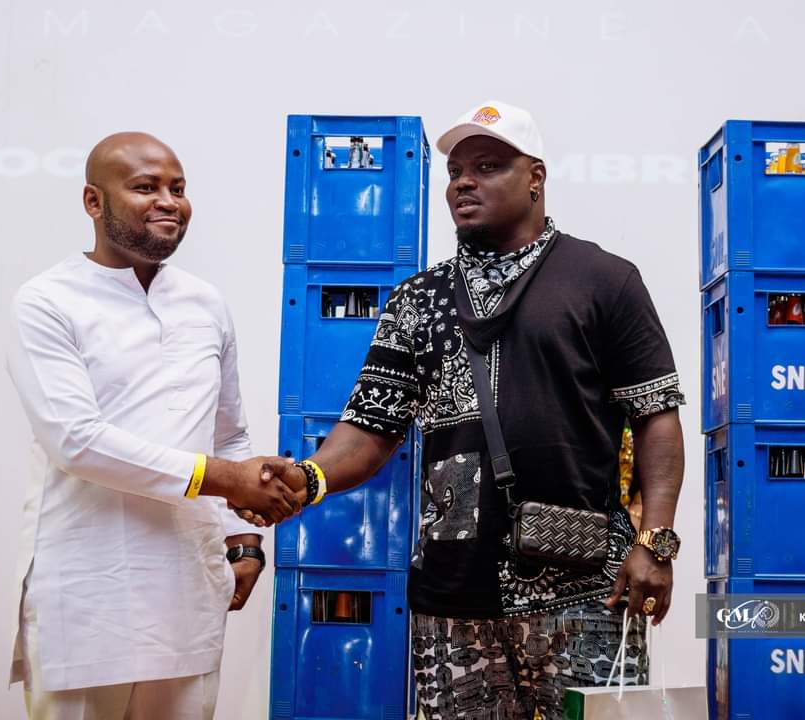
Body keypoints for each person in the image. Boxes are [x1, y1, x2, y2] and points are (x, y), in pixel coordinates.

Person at [256, 102, 685, 719]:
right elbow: (371, 426)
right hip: (451, 599)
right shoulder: (416, 300)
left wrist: (656, 544)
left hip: (586, 591)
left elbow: (656, 416)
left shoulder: (605, 280)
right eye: (456, 171)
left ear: (535, 177)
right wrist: (309, 476)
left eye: (486, 167)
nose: (463, 182)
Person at [5, 132, 297, 720]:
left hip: (189, 584)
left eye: (178, 188)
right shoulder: (47, 301)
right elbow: (75, 441)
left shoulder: (204, 302)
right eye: (145, 187)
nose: (169, 201)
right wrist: (226, 479)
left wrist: (242, 542)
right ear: (94, 201)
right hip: (86, 593)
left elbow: (229, 435)